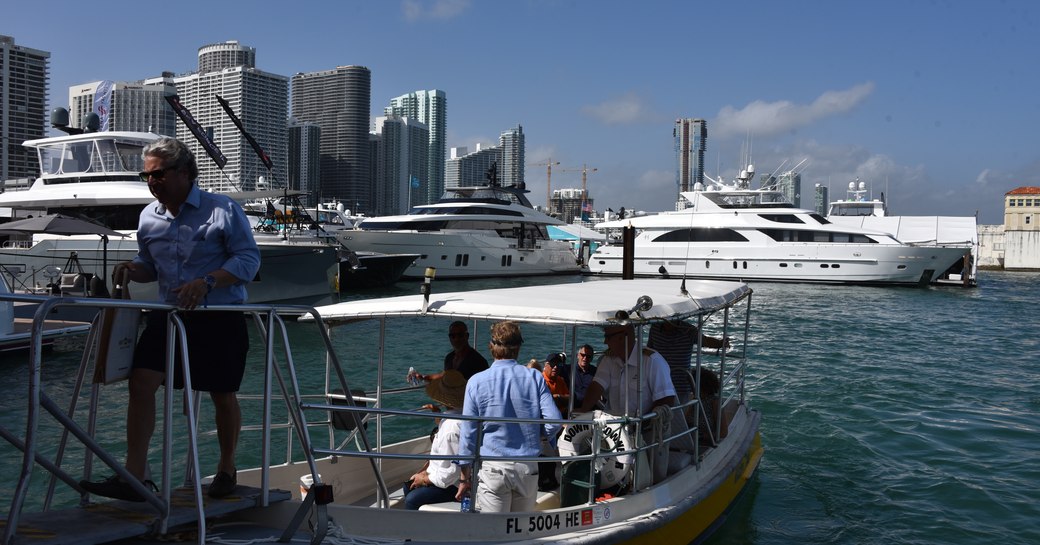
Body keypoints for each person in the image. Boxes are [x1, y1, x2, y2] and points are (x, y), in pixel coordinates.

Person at [79, 137, 261, 502]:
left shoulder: (221, 209)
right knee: (141, 383)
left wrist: (207, 282)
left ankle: (226, 468)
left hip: (218, 316)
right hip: (168, 316)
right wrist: (133, 269)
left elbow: (248, 261)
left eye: (158, 174)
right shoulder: (148, 217)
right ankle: (136, 476)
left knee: (222, 394)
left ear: (184, 173)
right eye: (146, 175)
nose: (151, 181)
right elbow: (151, 267)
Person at [455, 321, 562, 513]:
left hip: (494, 469)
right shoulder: (534, 377)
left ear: (491, 347)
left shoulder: (476, 382)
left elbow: (468, 434)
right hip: (527, 468)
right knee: (519, 530)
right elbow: (554, 420)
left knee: (493, 534)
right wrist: (538, 435)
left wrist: (464, 478)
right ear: (518, 347)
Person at [578, 323, 676, 417]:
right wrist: (584, 410)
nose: (605, 342)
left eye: (608, 337)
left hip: (645, 429)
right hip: (613, 428)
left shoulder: (652, 361)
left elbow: (666, 399)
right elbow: (597, 386)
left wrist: (642, 425)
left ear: (622, 337)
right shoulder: (608, 359)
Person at [402, 370, 467, 510]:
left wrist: (425, 479)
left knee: (412, 499)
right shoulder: (456, 418)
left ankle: (413, 531)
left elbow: (451, 472)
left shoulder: (452, 427)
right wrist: (425, 475)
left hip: (452, 486)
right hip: (447, 479)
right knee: (409, 487)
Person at [647, 320, 728, 405]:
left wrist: (720, 343)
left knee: (678, 414)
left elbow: (705, 340)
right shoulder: (655, 328)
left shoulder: (688, 330)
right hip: (658, 382)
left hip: (680, 383)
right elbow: (650, 350)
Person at [413, 321, 489, 383]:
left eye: (460, 335)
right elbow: (445, 375)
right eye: (453, 336)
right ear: (449, 338)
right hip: (450, 399)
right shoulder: (449, 358)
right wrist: (422, 377)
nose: (456, 339)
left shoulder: (478, 361)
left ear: (467, 336)